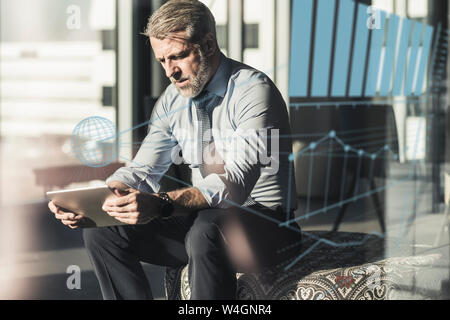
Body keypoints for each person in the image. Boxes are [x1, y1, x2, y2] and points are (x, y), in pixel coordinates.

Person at [48, 0, 301, 300]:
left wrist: (161, 203)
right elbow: (143, 169)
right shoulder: (172, 100)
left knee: (207, 230)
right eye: (162, 61)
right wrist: (103, 200)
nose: (170, 71)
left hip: (268, 224)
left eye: (178, 57)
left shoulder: (253, 91)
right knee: (102, 231)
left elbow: (234, 182)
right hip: (204, 221)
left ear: (208, 45)